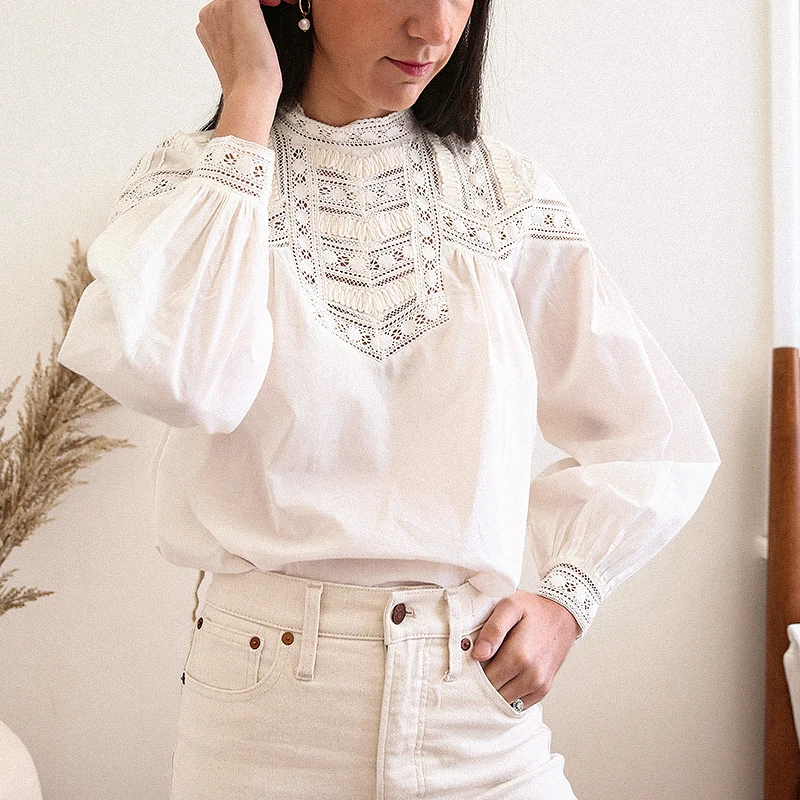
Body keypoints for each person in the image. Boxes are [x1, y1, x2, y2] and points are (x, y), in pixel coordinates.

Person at [56, 0, 721, 797]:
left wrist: (567, 599)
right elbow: (185, 378)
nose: (436, 28)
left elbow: (651, 434)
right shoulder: (196, 181)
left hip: (473, 707)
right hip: (263, 723)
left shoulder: (501, 194)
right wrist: (251, 96)